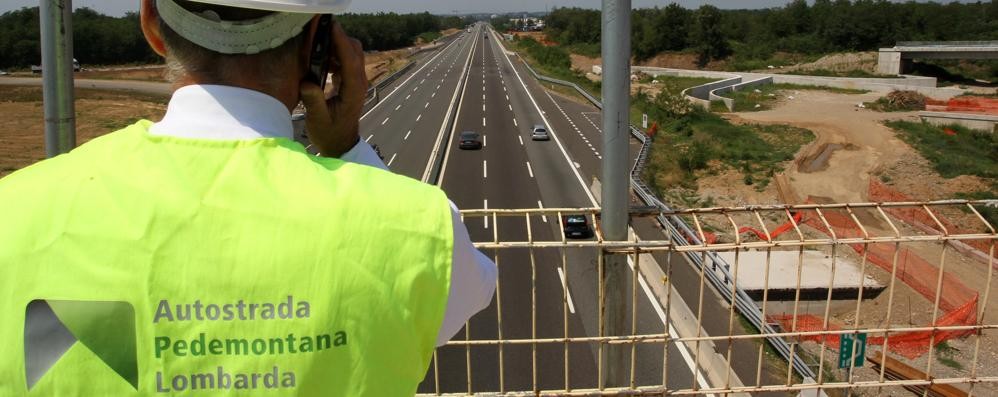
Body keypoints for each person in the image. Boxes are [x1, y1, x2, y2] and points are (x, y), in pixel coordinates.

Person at [0, 0, 496, 395]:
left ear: (151, 23)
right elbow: (466, 297)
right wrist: (346, 147)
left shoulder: (13, 213)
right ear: (318, 43)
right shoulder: (416, 225)